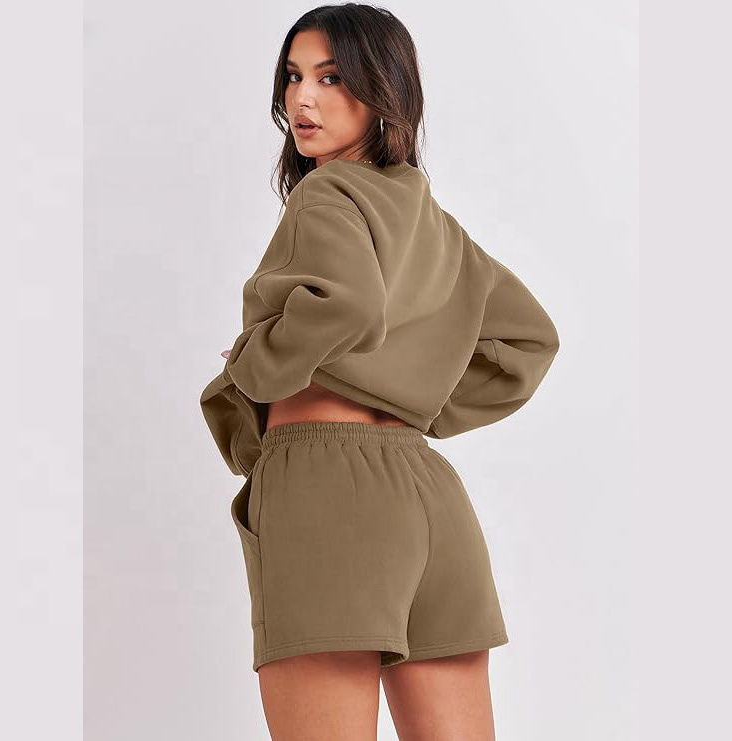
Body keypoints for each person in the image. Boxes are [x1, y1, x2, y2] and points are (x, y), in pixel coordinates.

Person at [199, 4, 560, 739]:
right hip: (428, 493)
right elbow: (528, 342)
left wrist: (254, 363)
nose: (303, 98)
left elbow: (347, 305)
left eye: (332, 78)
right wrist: (411, 394)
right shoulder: (433, 224)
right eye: (294, 77)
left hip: (326, 490)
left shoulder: (326, 192)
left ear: (384, 90)